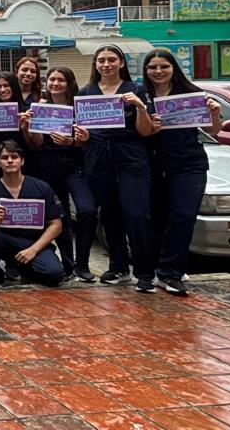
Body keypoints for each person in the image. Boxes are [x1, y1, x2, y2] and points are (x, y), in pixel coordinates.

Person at [141, 49, 222, 295]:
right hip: (153, 163)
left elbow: (213, 130)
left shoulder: (191, 94)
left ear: (173, 68)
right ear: (146, 70)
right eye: (152, 67)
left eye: (163, 66)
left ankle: (170, 273)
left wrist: (214, 112)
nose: (158, 71)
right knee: (158, 218)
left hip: (189, 163)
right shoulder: (141, 95)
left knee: (184, 215)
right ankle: (164, 266)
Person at [78, 44, 157, 292]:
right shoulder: (86, 92)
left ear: (121, 62)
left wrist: (140, 107)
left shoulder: (137, 90)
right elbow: (81, 131)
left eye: (111, 59)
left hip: (131, 157)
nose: (106, 64)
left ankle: (145, 272)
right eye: (101, 60)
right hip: (98, 157)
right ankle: (119, 267)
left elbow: (146, 131)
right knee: (110, 214)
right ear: (95, 64)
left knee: (136, 213)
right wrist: (82, 135)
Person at [22, 67, 96, 282]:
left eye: (60, 80)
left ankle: (83, 263)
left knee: (87, 210)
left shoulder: (79, 107)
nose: (55, 84)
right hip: (48, 166)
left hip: (76, 166)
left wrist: (71, 141)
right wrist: (30, 126)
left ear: (69, 83)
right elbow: (36, 144)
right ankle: (69, 265)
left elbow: (90, 141)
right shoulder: (40, 106)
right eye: (52, 80)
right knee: (59, 216)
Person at [0, 141, 65, 286]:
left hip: (33, 241)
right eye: (4, 158)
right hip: (2, 240)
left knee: (54, 274)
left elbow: (57, 225)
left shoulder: (42, 187)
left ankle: (24, 268)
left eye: (14, 157)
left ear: (22, 161)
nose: (10, 161)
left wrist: (33, 250)